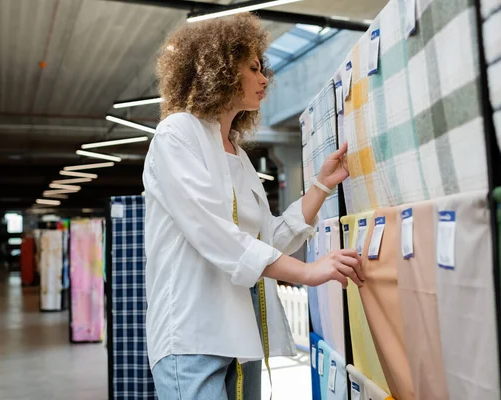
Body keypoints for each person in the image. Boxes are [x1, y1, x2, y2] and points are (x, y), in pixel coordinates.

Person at [143, 13, 364, 400]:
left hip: (242, 335)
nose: (264, 80)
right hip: (192, 335)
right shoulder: (176, 133)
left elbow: (271, 237)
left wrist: (321, 186)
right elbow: (214, 233)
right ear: (222, 68)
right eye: (253, 68)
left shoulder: (239, 158)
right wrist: (308, 273)